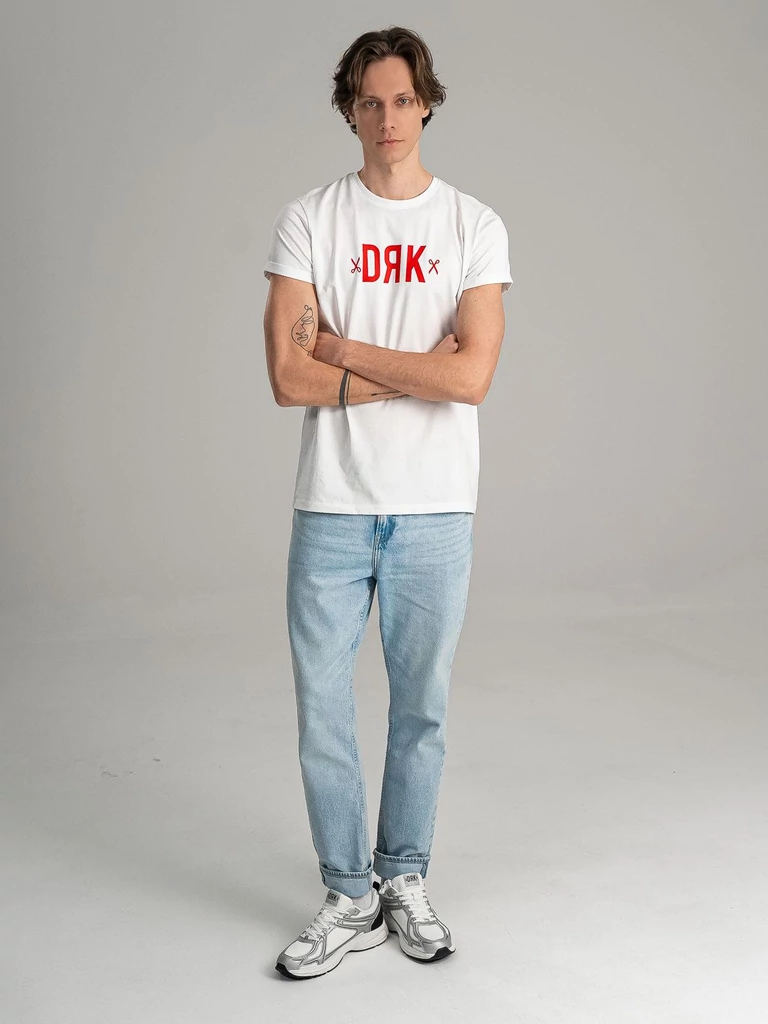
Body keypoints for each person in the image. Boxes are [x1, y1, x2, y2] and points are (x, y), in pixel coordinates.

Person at [262, 26, 513, 979]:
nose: (388, 117)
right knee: (322, 713)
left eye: (403, 99)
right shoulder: (309, 219)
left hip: (436, 509)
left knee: (422, 711)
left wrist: (344, 349)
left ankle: (403, 875)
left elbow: (472, 378)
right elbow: (287, 378)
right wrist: (414, 367)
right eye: (369, 101)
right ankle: (349, 893)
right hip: (331, 505)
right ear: (349, 111)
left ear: (427, 103)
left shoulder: (473, 226)